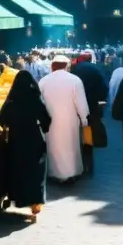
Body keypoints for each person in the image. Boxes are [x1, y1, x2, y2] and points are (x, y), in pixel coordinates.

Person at [0, 70, 52, 221]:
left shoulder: (11, 102)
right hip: (34, 139)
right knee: (36, 172)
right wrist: (44, 129)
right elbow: (46, 119)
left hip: (16, 141)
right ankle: (35, 203)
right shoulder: (35, 99)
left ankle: (17, 198)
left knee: (17, 170)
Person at [39, 55, 89, 183]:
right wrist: (84, 118)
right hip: (69, 121)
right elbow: (81, 102)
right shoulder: (75, 80)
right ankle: (71, 172)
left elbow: (39, 103)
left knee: (53, 147)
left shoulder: (44, 81)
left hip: (50, 121)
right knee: (70, 146)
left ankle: (53, 172)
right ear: (66, 66)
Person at [72, 49, 108, 176]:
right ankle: (89, 166)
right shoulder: (96, 70)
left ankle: (77, 165)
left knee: (75, 138)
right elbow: (104, 88)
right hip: (92, 108)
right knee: (88, 137)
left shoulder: (74, 69)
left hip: (75, 109)